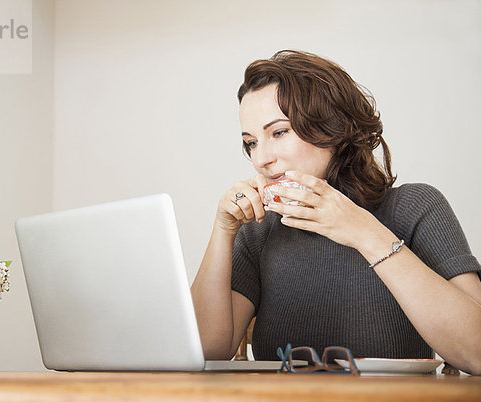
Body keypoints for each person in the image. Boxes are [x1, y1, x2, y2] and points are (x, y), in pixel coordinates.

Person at [190, 50, 481, 375]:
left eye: (279, 132)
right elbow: (205, 351)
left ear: (331, 126)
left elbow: (477, 351)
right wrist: (223, 229)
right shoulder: (259, 230)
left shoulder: (415, 207)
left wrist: (364, 233)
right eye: (251, 142)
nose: (262, 159)